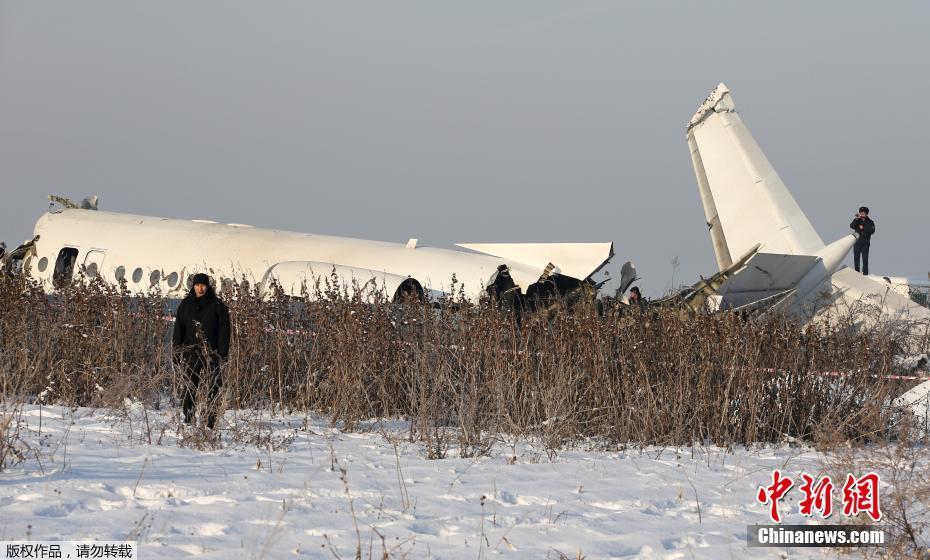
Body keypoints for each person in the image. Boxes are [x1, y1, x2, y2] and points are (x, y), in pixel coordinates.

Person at [172, 273, 230, 429]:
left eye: (203, 285)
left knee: (214, 386)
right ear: (193, 286)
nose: (200, 288)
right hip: (192, 352)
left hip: (212, 353)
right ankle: (189, 418)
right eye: (197, 285)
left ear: (208, 286)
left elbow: (225, 331)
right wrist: (176, 351)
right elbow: (179, 330)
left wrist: (222, 353)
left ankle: (210, 420)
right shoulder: (186, 304)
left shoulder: (218, 306)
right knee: (190, 386)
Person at [849, 206, 876, 275]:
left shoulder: (870, 222)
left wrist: (863, 228)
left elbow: (872, 230)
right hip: (857, 242)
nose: (862, 214)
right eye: (861, 212)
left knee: (865, 259)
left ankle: (865, 274)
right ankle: (856, 273)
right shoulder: (857, 220)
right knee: (856, 258)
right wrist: (856, 219)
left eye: (863, 213)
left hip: (865, 243)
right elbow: (852, 226)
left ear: (866, 213)